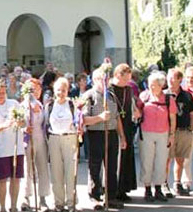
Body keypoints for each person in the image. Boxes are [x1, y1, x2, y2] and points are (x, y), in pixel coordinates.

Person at [80, 67, 126, 210]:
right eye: (101, 79)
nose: (104, 82)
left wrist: (122, 136)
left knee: (111, 166)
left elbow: (117, 117)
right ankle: (94, 196)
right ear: (94, 80)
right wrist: (99, 118)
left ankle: (110, 196)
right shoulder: (89, 96)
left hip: (111, 133)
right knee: (95, 166)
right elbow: (83, 119)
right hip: (96, 134)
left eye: (106, 79)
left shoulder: (111, 96)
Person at [0, 78, 23, 212]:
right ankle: (2, 207)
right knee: (2, 180)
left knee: (16, 178)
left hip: (16, 148)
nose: (2, 96)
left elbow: (23, 121)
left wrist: (20, 123)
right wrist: (4, 125)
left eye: (3, 92)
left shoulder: (14, 104)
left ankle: (14, 206)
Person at [138, 72, 177, 202]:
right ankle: (147, 189)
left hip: (163, 134)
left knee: (161, 161)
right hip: (146, 133)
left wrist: (172, 135)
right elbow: (137, 113)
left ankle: (159, 189)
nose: (151, 87)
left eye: (154, 85)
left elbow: (172, 117)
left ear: (161, 85)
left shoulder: (168, 99)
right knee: (146, 160)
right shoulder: (144, 96)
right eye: (150, 85)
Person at [45, 78, 81, 212]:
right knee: (56, 172)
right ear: (54, 91)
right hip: (54, 139)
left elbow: (79, 121)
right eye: (58, 90)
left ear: (68, 90)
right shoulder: (49, 105)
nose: (61, 93)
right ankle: (58, 203)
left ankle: (71, 202)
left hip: (69, 138)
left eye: (64, 90)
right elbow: (44, 123)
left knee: (70, 172)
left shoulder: (73, 105)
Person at [165, 69, 193, 197]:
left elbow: (192, 114)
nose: (170, 81)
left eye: (173, 78)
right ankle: (164, 183)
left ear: (179, 80)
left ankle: (177, 183)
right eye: (169, 78)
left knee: (180, 159)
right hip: (168, 131)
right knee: (166, 159)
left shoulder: (187, 96)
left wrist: (192, 130)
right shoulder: (164, 94)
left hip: (183, 130)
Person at [22, 79, 51, 212]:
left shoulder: (42, 105)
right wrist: (25, 128)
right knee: (27, 169)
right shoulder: (23, 106)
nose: (36, 92)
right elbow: (19, 124)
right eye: (33, 89)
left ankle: (43, 198)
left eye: (38, 89)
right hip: (28, 140)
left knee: (43, 168)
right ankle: (26, 198)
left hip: (41, 139)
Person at [111, 64, 139, 202]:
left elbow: (132, 105)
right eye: (125, 78)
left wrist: (136, 111)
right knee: (115, 161)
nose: (127, 81)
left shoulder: (128, 90)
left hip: (127, 126)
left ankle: (123, 190)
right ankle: (113, 190)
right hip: (113, 128)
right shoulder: (110, 90)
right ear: (117, 75)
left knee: (126, 160)